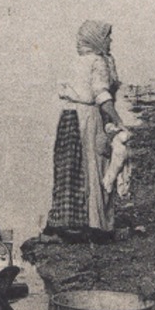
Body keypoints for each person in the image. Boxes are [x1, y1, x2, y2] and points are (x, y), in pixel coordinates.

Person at [46, 19, 122, 240]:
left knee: (71, 167)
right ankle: (97, 224)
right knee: (96, 165)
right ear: (97, 39)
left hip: (68, 117)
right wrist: (118, 122)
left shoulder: (76, 60)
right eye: (107, 36)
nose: (110, 41)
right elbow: (101, 95)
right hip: (88, 117)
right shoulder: (98, 61)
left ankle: (68, 221)